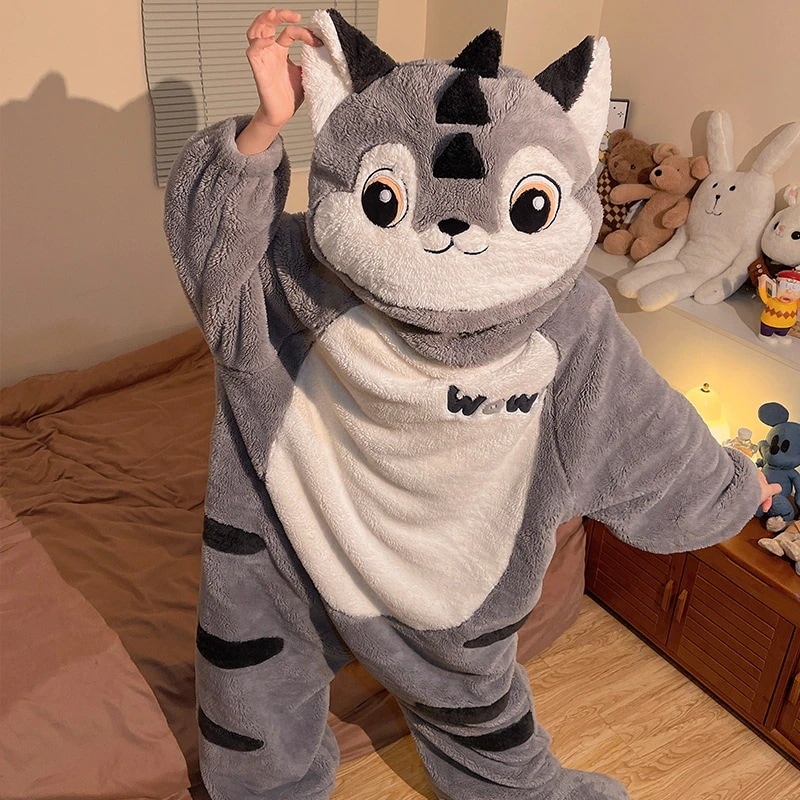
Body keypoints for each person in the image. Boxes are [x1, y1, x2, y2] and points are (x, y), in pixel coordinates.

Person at [165, 9, 781, 800]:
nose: (452, 230)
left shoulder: (569, 326)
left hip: (450, 574)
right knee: (261, 704)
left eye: (526, 208)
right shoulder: (298, 277)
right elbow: (218, 250)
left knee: (462, 708)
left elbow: (641, 429)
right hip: (292, 546)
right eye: (385, 196)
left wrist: (728, 489)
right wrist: (266, 123)